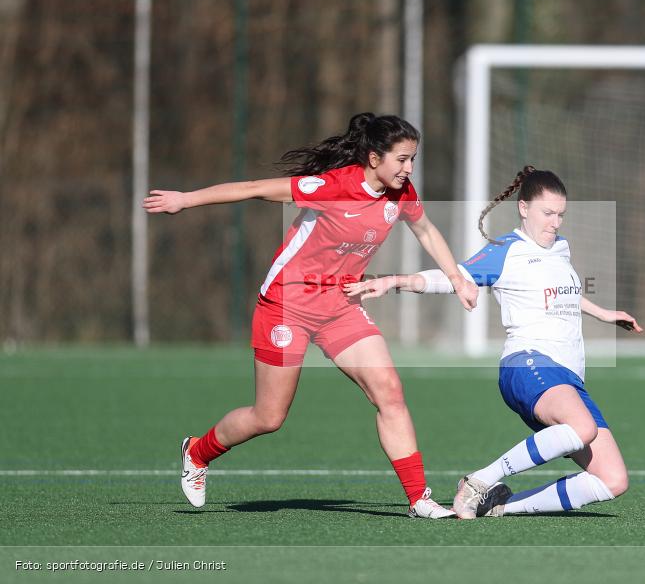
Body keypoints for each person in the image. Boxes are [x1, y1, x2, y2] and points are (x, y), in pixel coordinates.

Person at [144, 112, 478, 518]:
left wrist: (457, 279)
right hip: (288, 304)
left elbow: (425, 230)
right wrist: (185, 199)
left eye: (413, 160)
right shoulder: (331, 186)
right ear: (374, 158)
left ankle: (419, 498)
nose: (409, 169)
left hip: (341, 305)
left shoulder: (400, 193)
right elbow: (253, 189)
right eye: (402, 160)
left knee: (389, 389)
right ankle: (198, 452)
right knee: (269, 417)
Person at [344, 166, 642, 518]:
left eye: (561, 214)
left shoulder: (561, 247)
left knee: (611, 480)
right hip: (528, 364)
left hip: (567, 379)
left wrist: (604, 313)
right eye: (548, 213)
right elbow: (452, 277)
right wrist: (394, 280)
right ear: (524, 208)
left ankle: (500, 504)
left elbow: (561, 294)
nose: (555, 222)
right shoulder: (506, 250)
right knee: (583, 428)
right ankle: (480, 480)